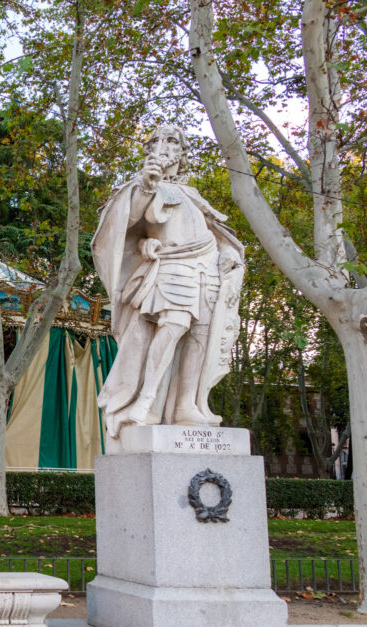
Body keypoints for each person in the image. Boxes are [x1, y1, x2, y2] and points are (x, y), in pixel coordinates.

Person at [91, 124, 244, 438]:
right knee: (172, 326)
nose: (164, 146)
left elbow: (220, 235)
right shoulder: (142, 186)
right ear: (148, 150)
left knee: (200, 336)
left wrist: (228, 251)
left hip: (207, 270)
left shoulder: (192, 195)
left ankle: (186, 406)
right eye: (157, 141)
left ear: (182, 152)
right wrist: (146, 187)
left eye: (173, 140)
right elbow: (125, 224)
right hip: (173, 267)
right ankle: (146, 402)